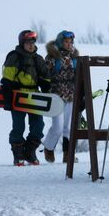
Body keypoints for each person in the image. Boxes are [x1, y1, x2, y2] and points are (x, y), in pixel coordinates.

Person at [1, 30, 51, 166]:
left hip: (34, 96)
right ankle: (18, 154)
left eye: (33, 42)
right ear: (22, 43)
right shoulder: (14, 57)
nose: (31, 45)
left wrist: (46, 86)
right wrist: (7, 100)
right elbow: (6, 80)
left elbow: (46, 76)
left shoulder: (38, 59)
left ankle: (29, 152)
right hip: (17, 96)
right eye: (28, 43)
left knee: (38, 126)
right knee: (18, 126)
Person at [43, 30, 79, 163]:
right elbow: (44, 75)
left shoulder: (75, 57)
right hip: (56, 96)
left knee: (68, 128)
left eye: (70, 42)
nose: (69, 44)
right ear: (60, 42)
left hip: (71, 95)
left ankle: (68, 155)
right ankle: (48, 147)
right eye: (66, 41)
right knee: (57, 127)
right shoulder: (52, 57)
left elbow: (79, 77)